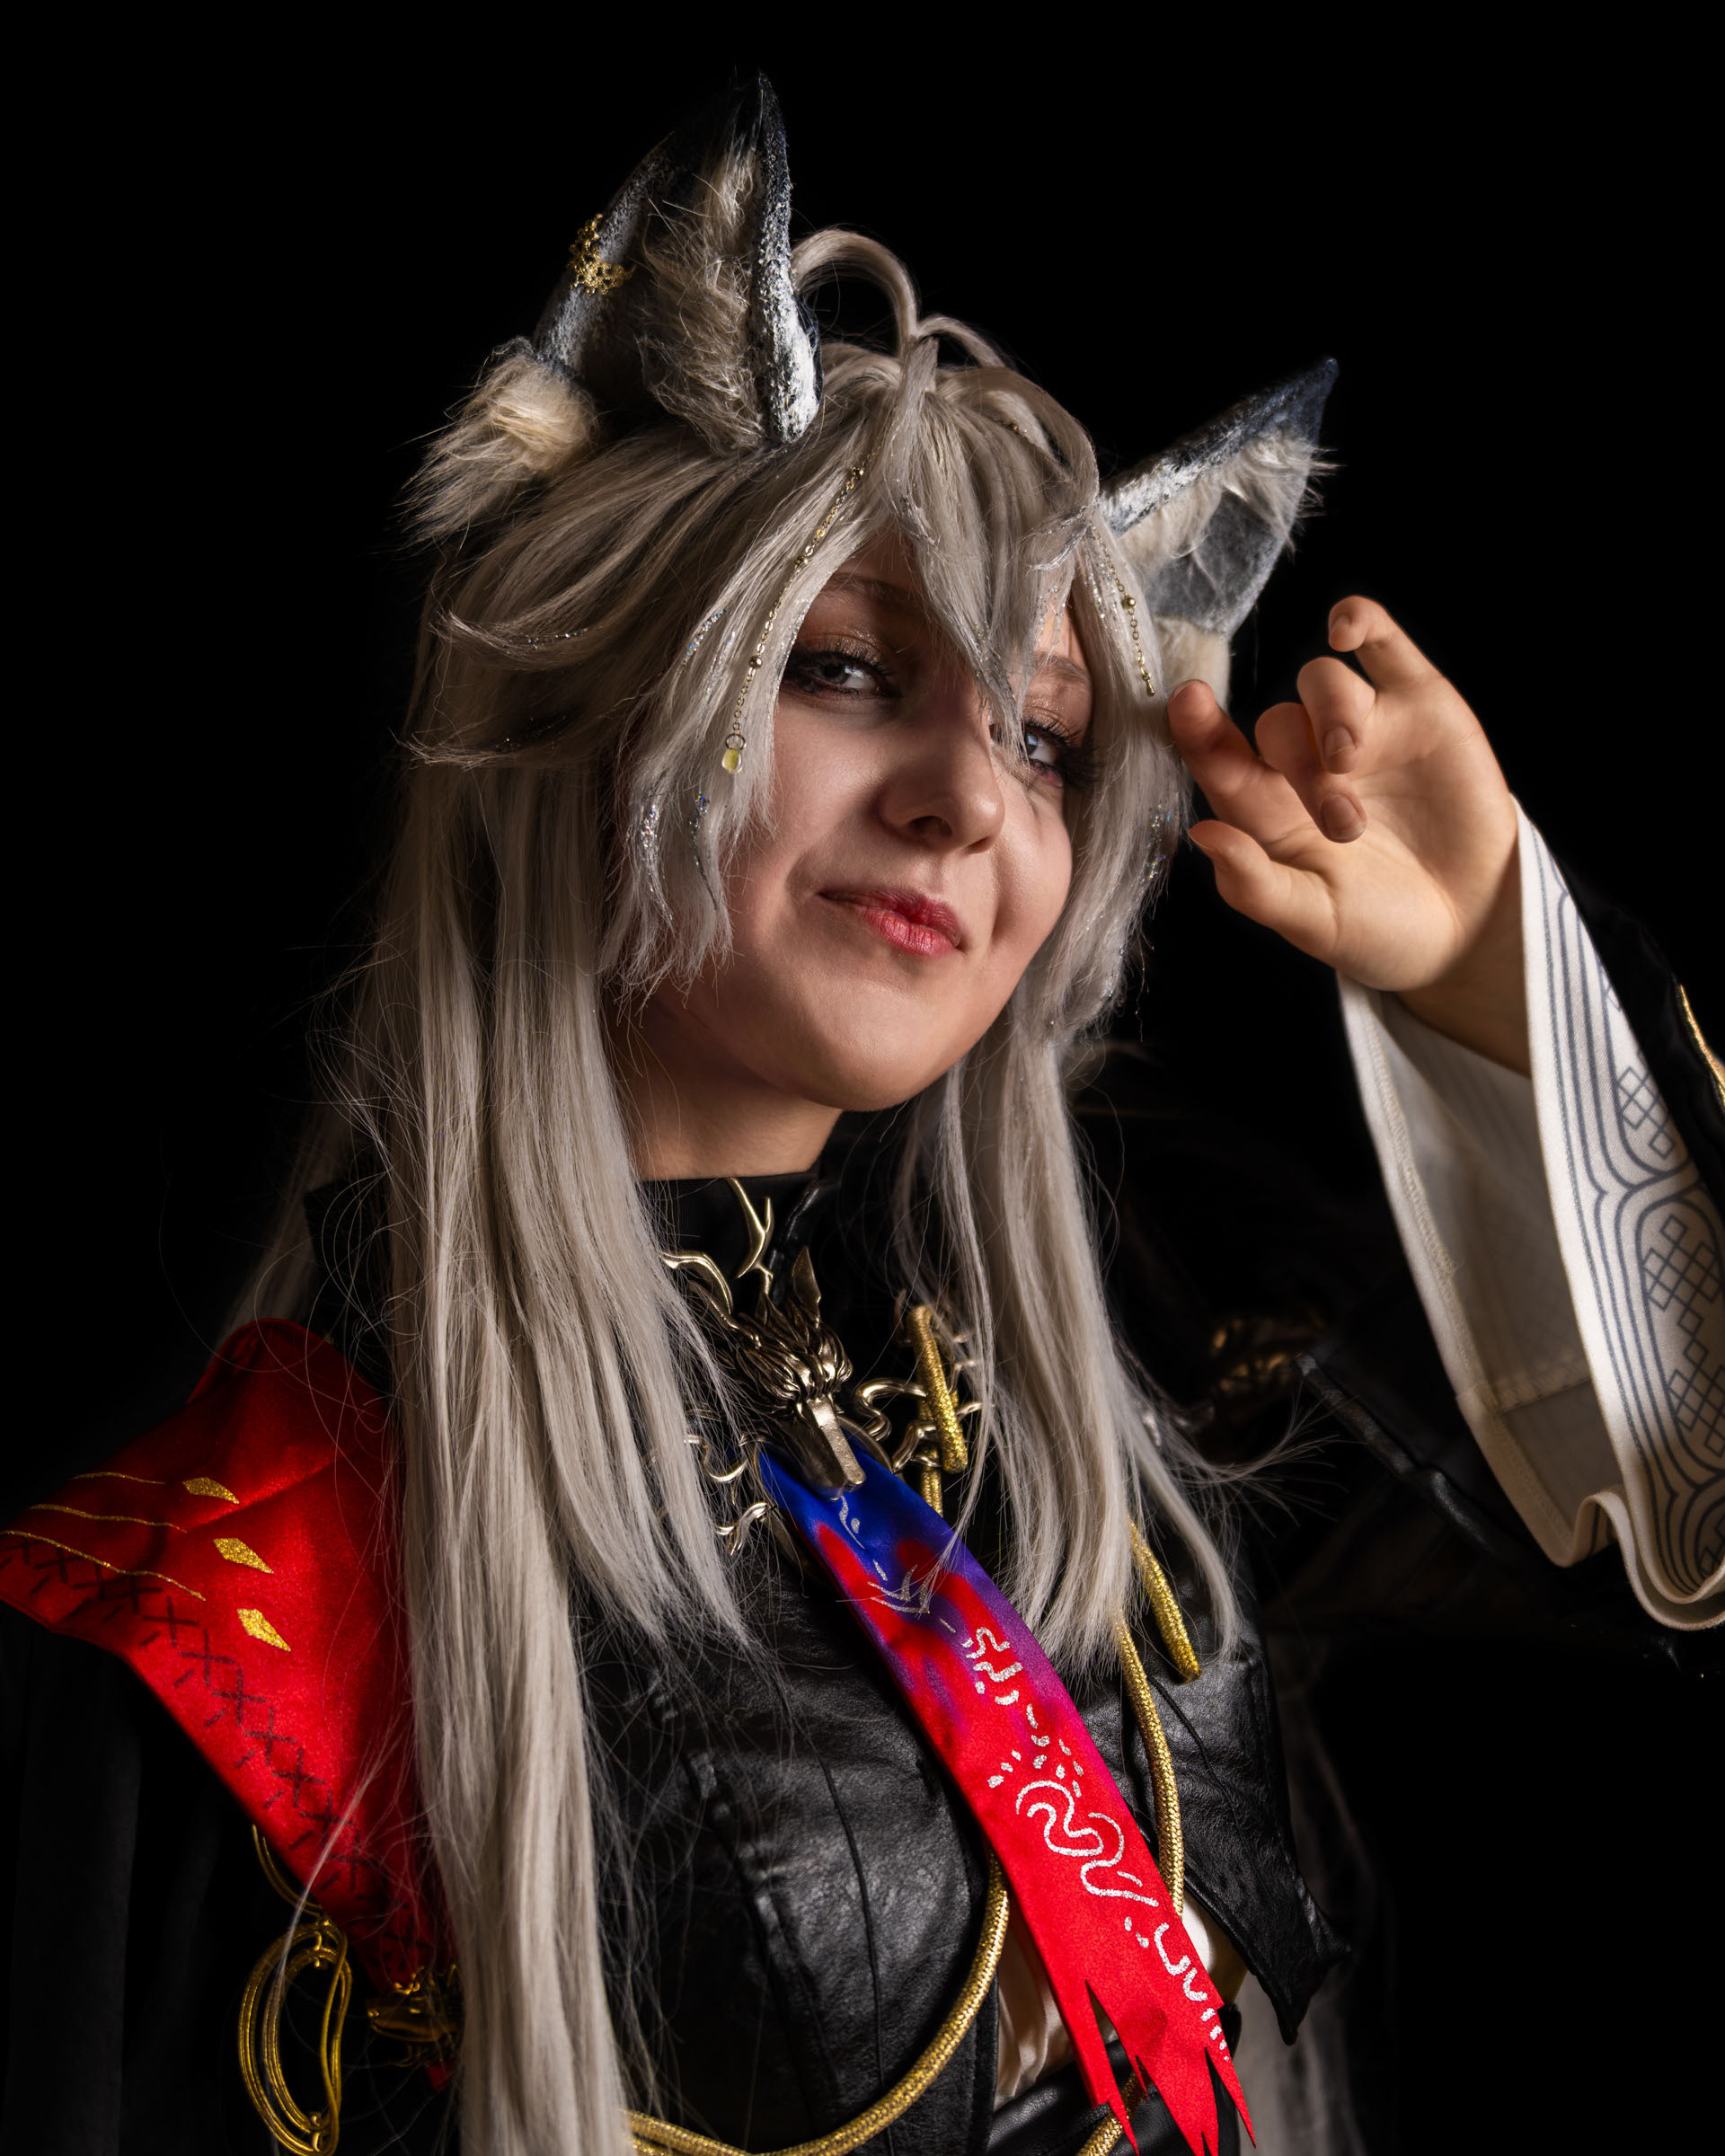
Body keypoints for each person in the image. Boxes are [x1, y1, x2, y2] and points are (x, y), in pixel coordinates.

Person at [2, 77, 1718, 2156]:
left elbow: (1681, 1530)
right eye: (841, 670)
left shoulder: (1157, 1358)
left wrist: (1488, 980)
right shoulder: (270, 1565)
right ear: (592, 704)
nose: (971, 797)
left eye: (1045, 737)